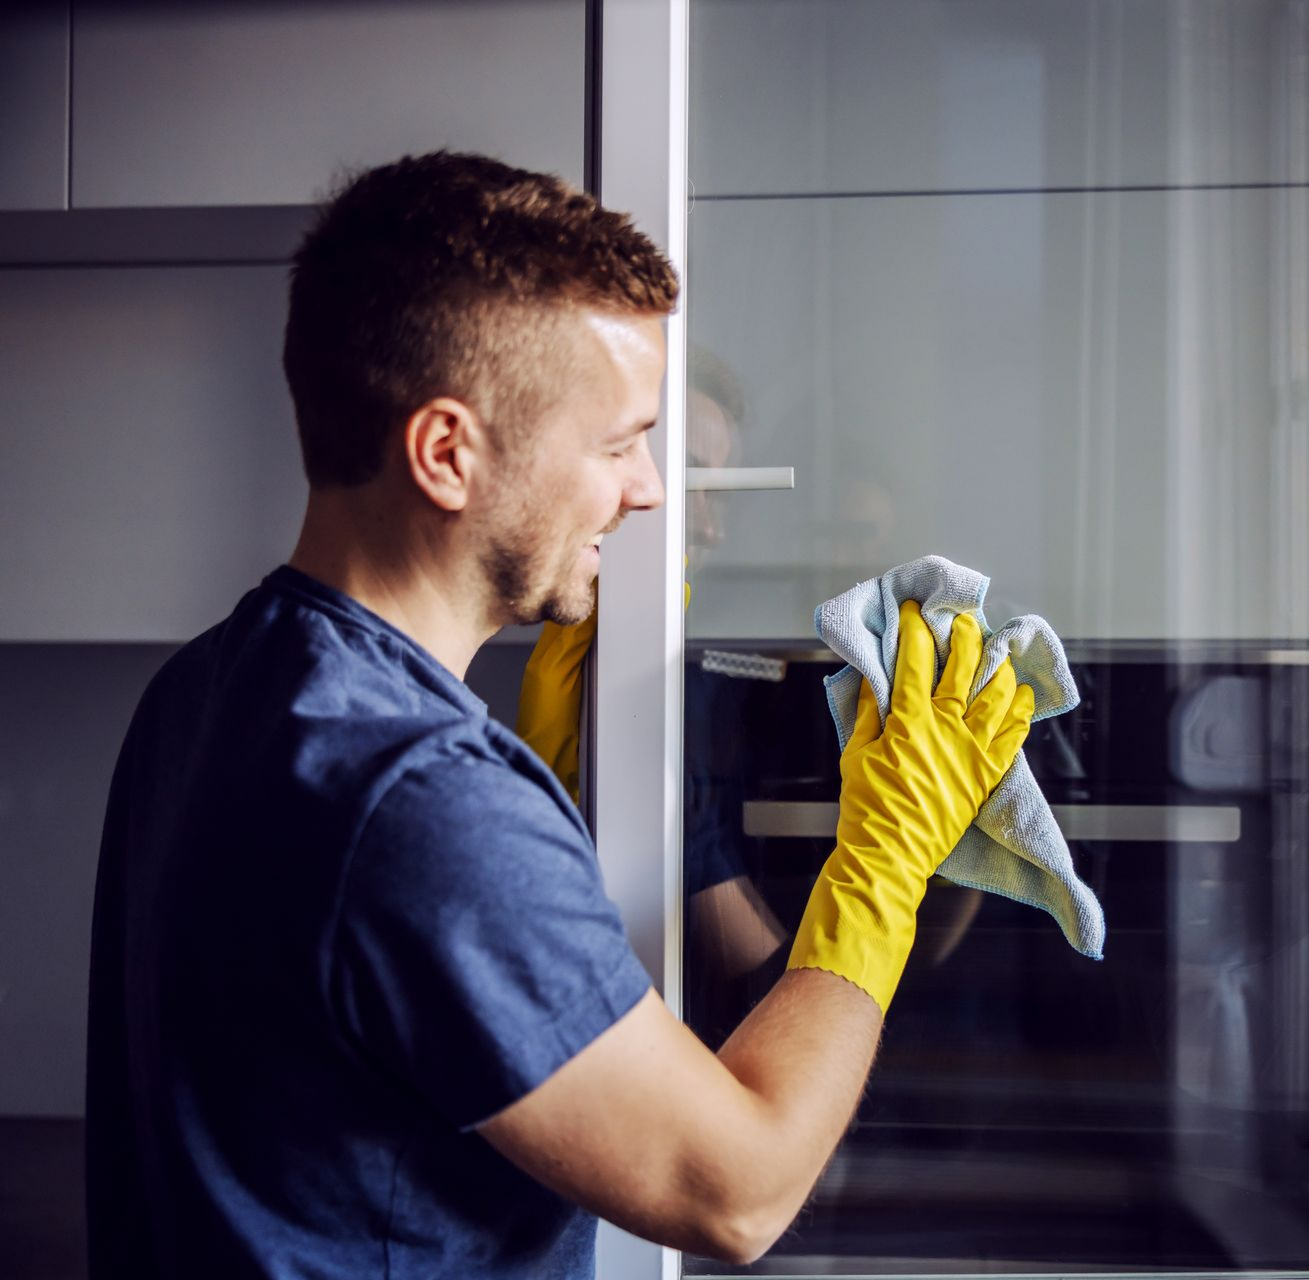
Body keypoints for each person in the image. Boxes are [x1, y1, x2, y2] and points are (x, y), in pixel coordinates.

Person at [84, 150, 1033, 1279]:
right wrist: (882, 857)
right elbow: (738, 1189)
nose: (649, 490)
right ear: (447, 453)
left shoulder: (203, 690)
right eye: (620, 440)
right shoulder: (423, 797)